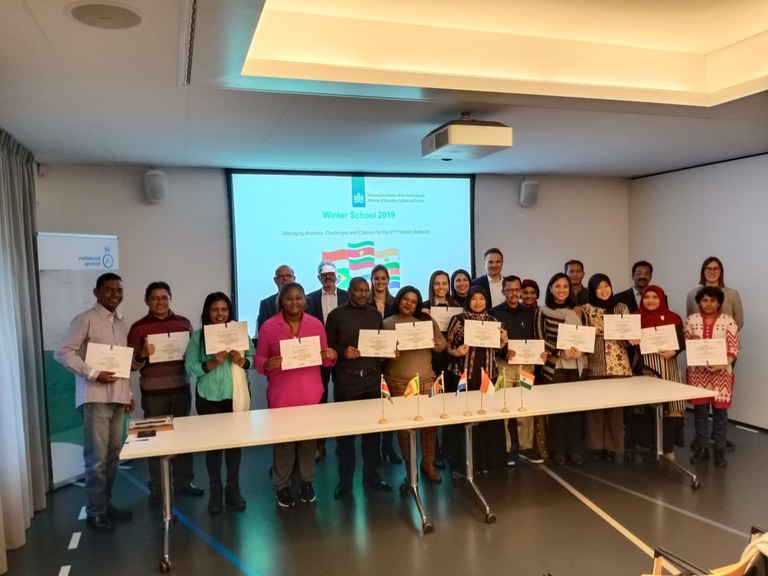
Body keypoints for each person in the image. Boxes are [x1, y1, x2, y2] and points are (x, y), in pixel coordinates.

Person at [54, 272, 134, 533]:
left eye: (119, 290)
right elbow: (62, 352)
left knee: (113, 456)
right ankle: (95, 512)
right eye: (109, 290)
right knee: (96, 459)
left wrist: (128, 394)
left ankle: (105, 504)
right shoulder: (85, 319)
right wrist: (93, 372)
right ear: (96, 292)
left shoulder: (121, 323)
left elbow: (121, 362)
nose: (115, 294)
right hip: (95, 398)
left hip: (118, 397)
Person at [256, 283, 337, 507]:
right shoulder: (269, 327)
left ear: (305, 301)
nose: (294, 302)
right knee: (283, 444)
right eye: (289, 298)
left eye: (298, 298)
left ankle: (306, 482)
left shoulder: (316, 324)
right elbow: (259, 358)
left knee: (308, 442)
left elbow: (325, 359)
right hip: (282, 395)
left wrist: (331, 355)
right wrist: (267, 364)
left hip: (310, 394)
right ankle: (281, 485)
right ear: (281, 301)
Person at [127, 281, 203, 506]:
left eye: (164, 297)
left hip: (181, 388)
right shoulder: (138, 328)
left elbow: (193, 355)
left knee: (183, 438)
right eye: (155, 298)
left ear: (170, 299)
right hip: (153, 393)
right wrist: (142, 354)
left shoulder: (184, 323)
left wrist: (190, 356)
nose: (160, 302)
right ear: (146, 301)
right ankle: (158, 487)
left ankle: (184, 482)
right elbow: (130, 365)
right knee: (155, 440)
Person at [185, 292, 254, 514]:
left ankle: (233, 490)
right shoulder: (198, 337)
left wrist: (241, 360)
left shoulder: (239, 333)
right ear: (208, 312)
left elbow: (252, 360)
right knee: (213, 449)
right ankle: (215, 492)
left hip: (235, 397)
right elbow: (190, 368)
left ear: (229, 311)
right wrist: (213, 362)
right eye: (215, 310)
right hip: (209, 398)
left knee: (234, 447)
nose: (219, 314)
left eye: (224, 309)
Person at [325, 277, 392, 498]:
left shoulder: (375, 315)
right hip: (347, 380)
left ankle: (371, 476)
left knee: (373, 434)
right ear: (349, 291)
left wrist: (389, 351)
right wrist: (342, 351)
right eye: (358, 290)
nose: (363, 294)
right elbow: (327, 344)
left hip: (372, 378)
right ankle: (345, 482)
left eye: (366, 290)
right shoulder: (336, 315)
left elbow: (380, 343)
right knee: (346, 436)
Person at [382, 286, 446, 482]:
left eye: (413, 301)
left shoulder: (426, 321)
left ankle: (428, 463)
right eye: (405, 299)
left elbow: (442, 345)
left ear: (417, 304)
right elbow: (380, 353)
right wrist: (389, 352)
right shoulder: (386, 323)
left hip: (426, 379)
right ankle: (410, 468)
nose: (408, 303)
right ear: (399, 300)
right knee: (403, 429)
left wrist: (437, 343)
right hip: (397, 381)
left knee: (429, 426)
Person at [445, 286, 508, 473]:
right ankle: (465, 462)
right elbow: (448, 345)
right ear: (468, 300)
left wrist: (504, 342)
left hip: (487, 377)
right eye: (474, 298)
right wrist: (456, 352)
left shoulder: (493, 321)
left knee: (488, 419)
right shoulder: (459, 320)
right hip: (465, 377)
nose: (478, 302)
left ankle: (488, 463)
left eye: (482, 298)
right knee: (466, 418)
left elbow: (497, 350)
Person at [685, 256, 743, 452]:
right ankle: (702, 446)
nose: (708, 303)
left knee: (720, 412)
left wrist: (723, 362)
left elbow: (735, 344)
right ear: (699, 302)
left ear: (719, 303)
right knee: (700, 412)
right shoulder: (692, 319)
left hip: (722, 370)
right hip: (698, 372)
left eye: (712, 301)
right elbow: (687, 340)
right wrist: (693, 343)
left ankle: (719, 448)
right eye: (704, 300)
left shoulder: (729, 318)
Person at [492, 275, 547, 465]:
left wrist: (540, 353)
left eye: (517, 290)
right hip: (504, 366)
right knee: (503, 406)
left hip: (527, 366)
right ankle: (506, 449)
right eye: (510, 290)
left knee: (526, 405)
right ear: (503, 292)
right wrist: (503, 351)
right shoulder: (494, 313)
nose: (514, 294)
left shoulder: (531, 314)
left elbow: (536, 337)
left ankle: (526, 447)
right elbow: (491, 342)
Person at [533, 273, 588, 465]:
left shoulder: (580, 311)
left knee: (575, 408)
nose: (562, 290)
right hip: (555, 365)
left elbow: (587, 336)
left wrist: (581, 350)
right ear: (550, 288)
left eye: (565, 286)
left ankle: (575, 449)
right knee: (557, 409)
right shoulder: (542, 311)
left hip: (577, 365)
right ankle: (558, 450)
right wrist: (560, 352)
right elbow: (539, 338)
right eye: (557, 286)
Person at [581, 273, 634, 462]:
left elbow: (628, 338)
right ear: (593, 290)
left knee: (615, 409)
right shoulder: (586, 309)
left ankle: (612, 447)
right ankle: (596, 447)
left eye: (607, 286)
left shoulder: (621, 307)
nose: (604, 291)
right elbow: (580, 338)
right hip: (594, 364)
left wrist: (631, 337)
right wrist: (593, 331)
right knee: (595, 409)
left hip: (618, 365)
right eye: (599, 288)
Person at [631, 285, 686, 460]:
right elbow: (626, 344)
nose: (650, 301)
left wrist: (673, 352)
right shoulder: (635, 317)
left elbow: (681, 343)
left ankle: (667, 447)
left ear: (662, 299)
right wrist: (629, 339)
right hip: (644, 368)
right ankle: (647, 445)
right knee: (646, 409)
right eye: (647, 297)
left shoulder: (673, 318)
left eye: (655, 297)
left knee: (668, 408)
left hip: (667, 366)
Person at [306, 260, 349, 461]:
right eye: (324, 274)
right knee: (320, 400)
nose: (328, 277)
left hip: (342, 356)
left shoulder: (348, 297)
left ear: (337, 276)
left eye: (331, 273)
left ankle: (342, 443)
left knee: (342, 400)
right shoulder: (309, 299)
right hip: (317, 356)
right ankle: (319, 444)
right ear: (319, 278)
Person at [368, 264, 400, 465]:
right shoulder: (365, 302)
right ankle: (374, 451)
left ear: (388, 280)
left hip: (391, 359)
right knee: (374, 405)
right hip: (370, 359)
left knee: (389, 404)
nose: (380, 281)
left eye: (383, 278)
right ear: (372, 280)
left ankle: (388, 447)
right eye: (376, 278)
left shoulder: (395, 303)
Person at [686, 257, 743, 330]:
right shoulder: (692, 294)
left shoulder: (733, 295)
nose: (712, 272)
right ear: (703, 271)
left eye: (715, 269)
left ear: (721, 271)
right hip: (698, 337)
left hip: (726, 336)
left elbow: (738, 322)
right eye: (708, 269)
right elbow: (690, 321)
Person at [257, 265, 296, 331]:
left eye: (288, 276)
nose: (285, 278)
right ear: (275, 280)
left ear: (294, 279)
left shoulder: (307, 301)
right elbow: (262, 331)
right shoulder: (266, 304)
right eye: (281, 276)